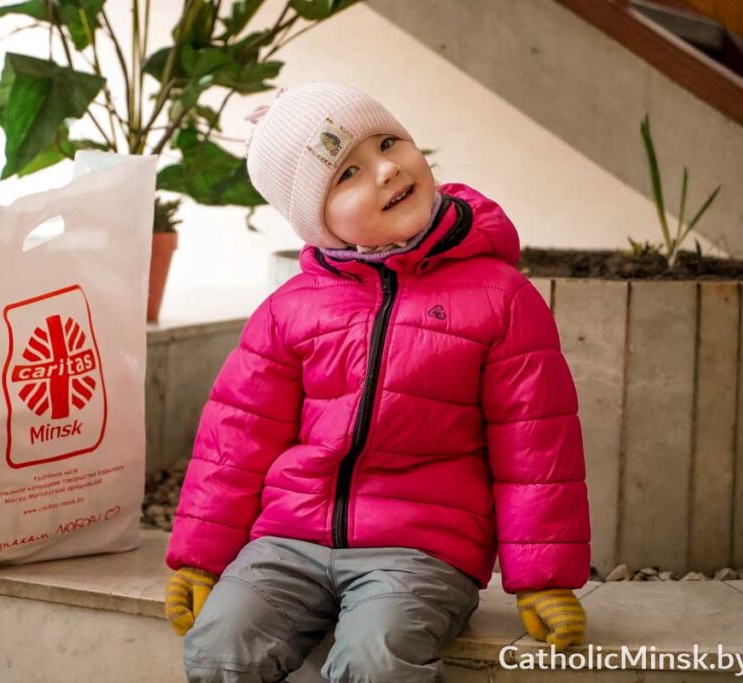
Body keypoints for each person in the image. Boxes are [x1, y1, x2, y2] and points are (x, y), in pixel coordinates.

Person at [164, 81, 591, 683]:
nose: (387, 169)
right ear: (318, 222)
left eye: (389, 143)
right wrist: (200, 559)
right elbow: (236, 438)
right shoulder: (291, 308)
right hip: (287, 540)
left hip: (421, 549)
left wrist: (542, 578)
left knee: (376, 660)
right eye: (348, 173)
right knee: (220, 647)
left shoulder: (500, 298)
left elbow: (536, 444)